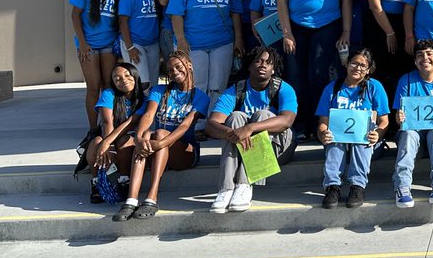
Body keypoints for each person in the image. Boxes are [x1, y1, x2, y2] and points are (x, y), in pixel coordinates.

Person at [113, 51, 210, 221]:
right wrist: (140, 138)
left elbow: (185, 126)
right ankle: (131, 200)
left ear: (189, 65)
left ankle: (151, 198)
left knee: (159, 134)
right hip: (157, 148)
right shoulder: (159, 90)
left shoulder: (201, 97)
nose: (174, 72)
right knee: (147, 136)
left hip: (185, 153)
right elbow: (148, 115)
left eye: (178, 67)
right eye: (170, 70)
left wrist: (160, 143)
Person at [276, 0, 353, 138]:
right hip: (296, 28)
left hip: (327, 26)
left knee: (319, 76)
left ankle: (319, 125)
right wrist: (287, 33)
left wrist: (346, 31)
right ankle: (298, 126)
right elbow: (281, 0)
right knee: (295, 77)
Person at [205, 45, 297, 213]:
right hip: (241, 147)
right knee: (235, 118)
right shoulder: (236, 90)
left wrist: (250, 128)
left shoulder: (283, 88)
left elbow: (287, 121)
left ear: (273, 69)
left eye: (268, 63)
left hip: (278, 148)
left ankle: (244, 184)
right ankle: (226, 189)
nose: (263, 65)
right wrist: (232, 133)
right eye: (258, 61)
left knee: (263, 115)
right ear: (249, 65)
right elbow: (211, 125)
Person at [166, 0, 245, 108]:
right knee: (197, 84)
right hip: (193, 44)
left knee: (218, 85)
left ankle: (215, 120)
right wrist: (181, 39)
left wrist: (238, 40)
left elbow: (236, 13)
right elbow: (176, 14)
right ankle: (197, 123)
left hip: (222, 43)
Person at [316, 47, 389, 209]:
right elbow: (323, 121)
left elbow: (384, 121)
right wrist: (323, 133)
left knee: (362, 140)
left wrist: (377, 134)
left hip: (366, 143)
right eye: (354, 63)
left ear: (368, 70)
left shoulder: (374, 87)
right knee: (334, 138)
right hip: (340, 141)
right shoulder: (333, 88)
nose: (357, 68)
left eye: (363, 66)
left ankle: (357, 186)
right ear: (346, 64)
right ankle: (332, 187)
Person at [391, 39, 433, 207]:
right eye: (419, 55)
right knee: (408, 134)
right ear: (415, 61)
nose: (424, 58)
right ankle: (402, 186)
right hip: (413, 135)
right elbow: (399, 117)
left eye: (429, 54)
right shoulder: (406, 80)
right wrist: (399, 118)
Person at [69, 0, 125, 127]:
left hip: (109, 44)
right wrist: (83, 43)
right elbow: (75, 16)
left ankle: (108, 125)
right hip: (88, 45)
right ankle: (93, 129)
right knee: (93, 87)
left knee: (108, 85)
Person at [86, 61, 147, 203]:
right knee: (96, 142)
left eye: (127, 75)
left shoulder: (144, 99)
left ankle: (124, 180)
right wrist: (107, 146)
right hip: (110, 139)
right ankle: (97, 183)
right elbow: (107, 122)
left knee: (125, 139)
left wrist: (107, 143)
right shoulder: (109, 94)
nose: (123, 80)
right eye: (117, 78)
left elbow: (131, 122)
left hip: (130, 147)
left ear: (135, 76)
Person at [117, 0, 161, 84]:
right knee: (141, 82)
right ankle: (140, 104)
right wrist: (130, 47)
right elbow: (122, 21)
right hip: (135, 43)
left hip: (153, 42)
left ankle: (151, 104)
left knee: (153, 81)